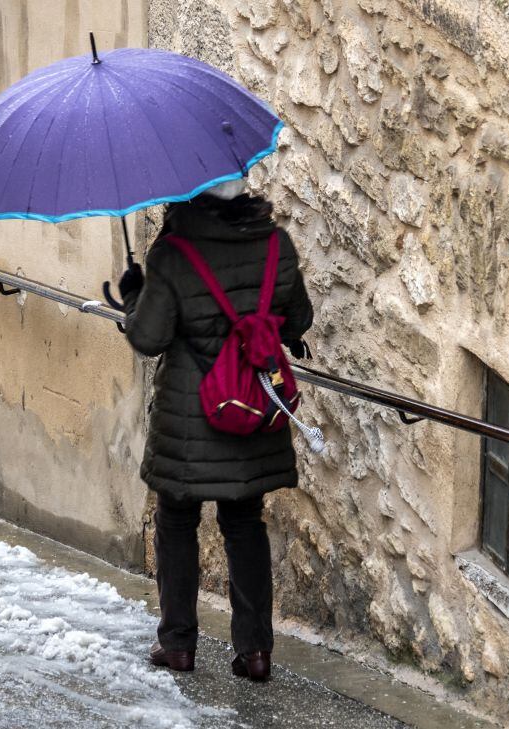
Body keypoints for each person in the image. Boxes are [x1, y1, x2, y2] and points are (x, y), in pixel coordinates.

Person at [118, 178, 314, 681]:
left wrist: (134, 296)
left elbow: (151, 337)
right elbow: (298, 320)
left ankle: (178, 644)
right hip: (253, 409)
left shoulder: (175, 251)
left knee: (178, 522)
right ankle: (255, 652)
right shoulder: (277, 244)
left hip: (191, 417)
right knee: (245, 525)